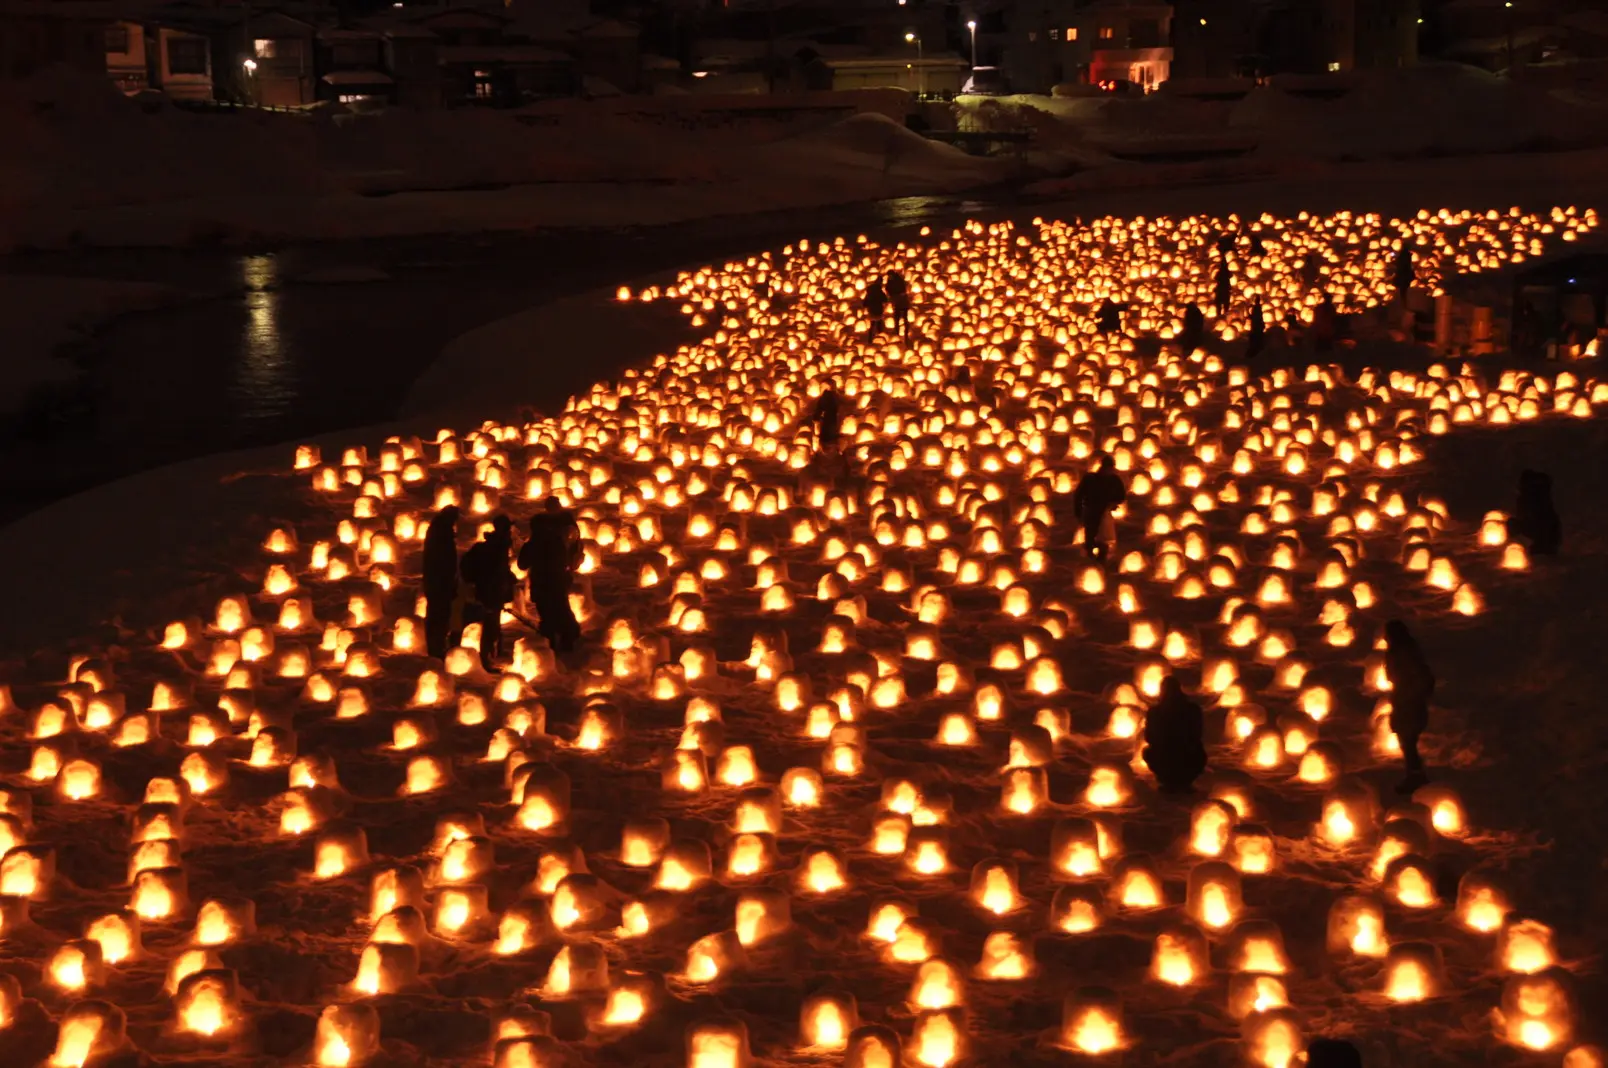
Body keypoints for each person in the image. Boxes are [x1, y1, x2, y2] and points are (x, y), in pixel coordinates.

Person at [520, 498, 582, 653]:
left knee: (548, 615)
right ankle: (566, 640)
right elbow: (571, 560)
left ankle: (553, 644)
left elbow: (522, 564)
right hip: (557, 582)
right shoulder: (560, 540)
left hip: (542, 584)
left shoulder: (536, 543)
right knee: (561, 610)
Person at [1384, 619, 1435, 793]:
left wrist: (1410, 693)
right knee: (1408, 742)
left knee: (1408, 742)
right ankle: (1415, 775)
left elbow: (1408, 676)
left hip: (1408, 702)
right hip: (1407, 700)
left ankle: (1415, 777)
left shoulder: (1402, 653)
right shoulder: (1407, 651)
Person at [460, 515, 515, 670]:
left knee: (492, 624)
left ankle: (492, 653)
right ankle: (485, 659)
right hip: (490, 592)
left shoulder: (495, 547)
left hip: (492, 592)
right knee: (489, 626)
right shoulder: (495, 548)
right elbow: (494, 572)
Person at [1143, 677, 1207, 793]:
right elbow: (1198, 734)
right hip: (1190, 759)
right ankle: (1182, 779)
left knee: (1148, 751)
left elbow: (1149, 737)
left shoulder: (1155, 712)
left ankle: (1168, 779)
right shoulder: (1193, 710)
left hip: (1164, 759)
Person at [422, 505, 461, 659]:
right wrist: (448, 580)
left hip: (437, 581)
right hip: (439, 582)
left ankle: (436, 645)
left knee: (437, 613)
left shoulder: (438, 531)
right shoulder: (442, 535)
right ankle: (435, 648)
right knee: (439, 614)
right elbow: (443, 561)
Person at [1072, 454, 1127, 561]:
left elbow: (1121, 495)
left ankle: (1100, 562)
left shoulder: (1114, 480)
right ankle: (1090, 559)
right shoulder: (1090, 479)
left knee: (1103, 540)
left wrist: (1113, 503)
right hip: (1091, 512)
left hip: (1104, 513)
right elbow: (1079, 495)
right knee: (1091, 538)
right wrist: (1078, 512)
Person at [1512, 468, 1561, 555]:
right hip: (1543, 532)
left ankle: (1543, 548)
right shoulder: (1531, 497)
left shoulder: (1535, 497)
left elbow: (1542, 520)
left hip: (1545, 533)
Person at [813, 385, 842, 452]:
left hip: (829, 418)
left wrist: (816, 417)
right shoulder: (834, 398)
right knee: (829, 429)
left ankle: (827, 443)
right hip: (830, 418)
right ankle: (829, 442)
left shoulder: (825, 399)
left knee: (828, 429)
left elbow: (819, 409)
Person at [885, 270, 910, 336]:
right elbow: (888, 288)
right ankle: (897, 330)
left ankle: (906, 329)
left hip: (902, 301)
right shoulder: (890, 281)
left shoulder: (899, 281)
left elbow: (902, 290)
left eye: (890, 276)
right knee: (897, 317)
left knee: (904, 316)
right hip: (897, 301)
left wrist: (894, 295)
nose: (889, 277)